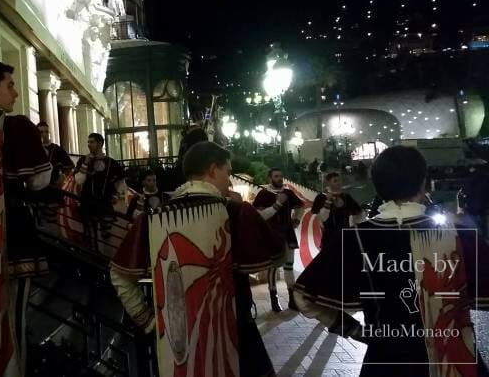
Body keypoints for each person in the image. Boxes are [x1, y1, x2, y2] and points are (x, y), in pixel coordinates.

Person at [294, 146, 487, 376]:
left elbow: (303, 297)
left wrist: (355, 331)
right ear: (423, 182)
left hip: (386, 361)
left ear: (378, 185)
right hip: (457, 362)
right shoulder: (460, 236)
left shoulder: (354, 238)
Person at [109, 142, 286, 377]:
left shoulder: (154, 219)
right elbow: (279, 253)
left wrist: (151, 322)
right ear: (213, 170)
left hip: (180, 349)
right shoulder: (236, 212)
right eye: (227, 172)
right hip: (237, 338)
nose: (230, 181)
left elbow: (118, 274)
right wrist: (245, 209)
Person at [0, 61, 52, 375]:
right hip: (10, 231)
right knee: (13, 315)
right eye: (10, 86)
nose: (15, 93)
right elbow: (41, 180)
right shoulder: (15, 127)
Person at [252, 168, 304, 312]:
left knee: (289, 266)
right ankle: (274, 298)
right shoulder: (263, 194)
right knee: (273, 267)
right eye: (276, 176)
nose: (280, 178)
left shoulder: (287, 193)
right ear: (270, 179)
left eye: (281, 176)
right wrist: (277, 205)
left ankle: (292, 299)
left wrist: (297, 219)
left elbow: (300, 206)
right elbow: (260, 216)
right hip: (272, 235)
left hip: (287, 233)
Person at [311, 172, 365, 251]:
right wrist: (328, 201)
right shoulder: (321, 198)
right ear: (328, 183)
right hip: (329, 238)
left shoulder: (346, 197)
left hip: (345, 237)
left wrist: (352, 225)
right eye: (335, 181)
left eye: (339, 180)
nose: (339, 183)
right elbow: (322, 218)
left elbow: (360, 214)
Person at [74, 133, 125, 208]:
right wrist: (85, 163)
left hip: (105, 204)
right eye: (88, 142)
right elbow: (79, 180)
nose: (89, 144)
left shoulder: (111, 162)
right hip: (87, 204)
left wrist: (116, 195)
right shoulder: (83, 160)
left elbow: (121, 180)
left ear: (100, 143)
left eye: (92, 142)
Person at [37, 121, 74, 186]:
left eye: (46, 132)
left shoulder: (56, 149)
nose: (44, 134)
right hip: (37, 186)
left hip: (54, 186)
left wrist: (63, 177)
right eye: (41, 132)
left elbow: (70, 165)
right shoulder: (33, 149)